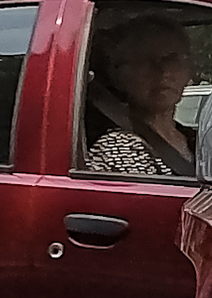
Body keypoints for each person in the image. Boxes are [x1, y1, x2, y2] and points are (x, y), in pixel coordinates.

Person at [81, 14, 197, 178]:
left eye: (172, 59)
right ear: (119, 76)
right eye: (144, 61)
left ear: (188, 71)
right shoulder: (117, 149)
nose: (162, 71)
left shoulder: (197, 142)